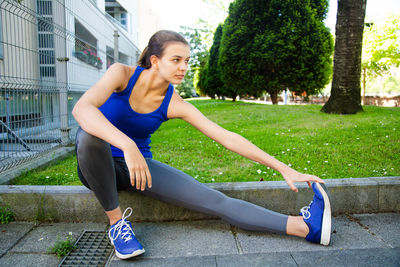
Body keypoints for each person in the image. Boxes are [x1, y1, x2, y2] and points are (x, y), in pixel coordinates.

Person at [72, 30, 332, 260]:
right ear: (155, 60)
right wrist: (127, 145)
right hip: (97, 164)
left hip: (139, 171)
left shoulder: (174, 103)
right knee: (88, 136)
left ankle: (305, 227)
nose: (183, 67)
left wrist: (283, 168)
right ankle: (117, 225)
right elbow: (82, 109)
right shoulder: (121, 74)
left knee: (216, 201)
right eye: (176, 60)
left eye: (186, 61)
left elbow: (225, 136)